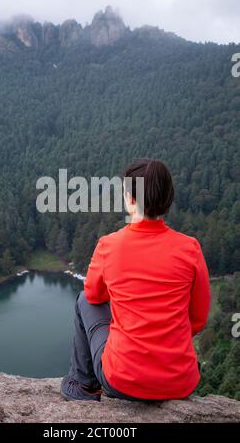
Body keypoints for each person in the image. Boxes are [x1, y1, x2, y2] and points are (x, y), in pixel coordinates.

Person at [61, 159, 211, 402]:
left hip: (122, 381)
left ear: (131, 199)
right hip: (179, 382)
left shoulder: (109, 246)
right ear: (168, 198)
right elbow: (198, 319)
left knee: (83, 300)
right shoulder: (190, 248)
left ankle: (84, 385)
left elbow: (94, 296)